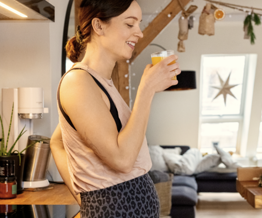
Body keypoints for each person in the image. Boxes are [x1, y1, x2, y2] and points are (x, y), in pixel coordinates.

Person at [50, 0, 181, 217]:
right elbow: (121, 160)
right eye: (130, 25)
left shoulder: (100, 82)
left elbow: (57, 140)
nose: (138, 33)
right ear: (98, 26)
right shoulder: (78, 83)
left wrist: (86, 195)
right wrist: (146, 90)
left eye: (138, 24)